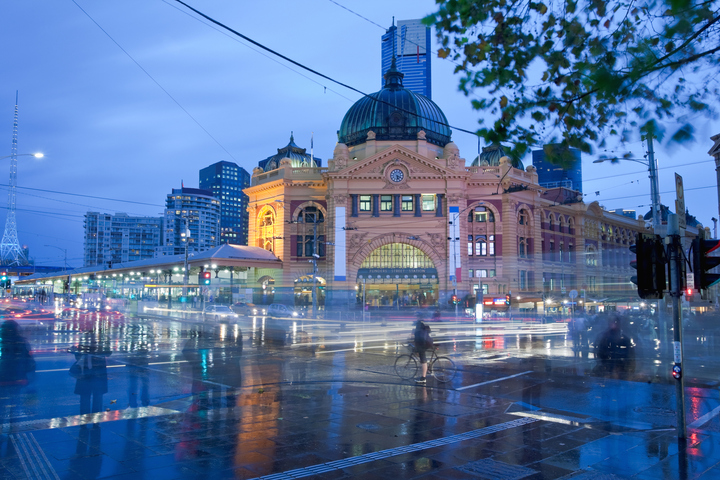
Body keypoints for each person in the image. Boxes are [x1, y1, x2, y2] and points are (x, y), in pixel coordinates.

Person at [413, 319, 434, 384]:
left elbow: (417, 342)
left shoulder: (418, 332)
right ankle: (428, 370)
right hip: (428, 344)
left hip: (422, 346)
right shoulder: (424, 329)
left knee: (423, 361)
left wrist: (417, 350)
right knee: (423, 359)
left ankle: (423, 378)